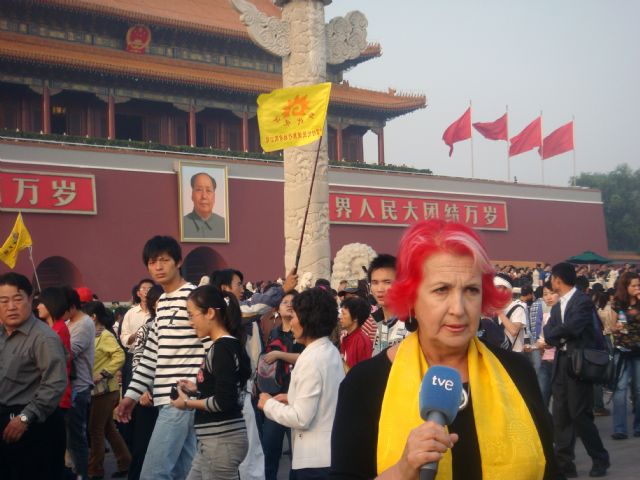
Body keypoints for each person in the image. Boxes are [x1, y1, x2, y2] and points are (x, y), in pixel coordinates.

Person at [329, 220, 557, 479]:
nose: (458, 309)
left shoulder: (517, 371)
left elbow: (550, 470)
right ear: (412, 297)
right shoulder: (365, 383)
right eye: (441, 290)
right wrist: (403, 470)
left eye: (471, 290)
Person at [117, 236, 207, 480]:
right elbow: (151, 356)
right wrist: (131, 397)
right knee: (185, 472)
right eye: (152, 262)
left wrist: (201, 385)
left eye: (164, 260)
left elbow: (213, 345)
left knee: (153, 473)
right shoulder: (164, 302)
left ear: (178, 262)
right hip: (169, 399)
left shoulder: (195, 298)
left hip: (180, 397)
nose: (157, 267)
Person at [258, 287, 345, 480]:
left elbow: (301, 418)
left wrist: (268, 404)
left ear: (308, 321)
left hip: (313, 462)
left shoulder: (311, 359)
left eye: (295, 316)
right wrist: (291, 398)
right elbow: (324, 397)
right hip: (327, 455)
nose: (292, 321)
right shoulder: (328, 350)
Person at [170, 285, 252, 479]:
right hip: (216, 440)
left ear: (210, 313)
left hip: (221, 440)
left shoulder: (222, 348)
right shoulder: (227, 345)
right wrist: (197, 388)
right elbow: (225, 387)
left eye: (191, 315)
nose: (190, 322)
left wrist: (187, 403)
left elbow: (224, 400)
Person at [544, 262, 610, 478]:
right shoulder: (556, 306)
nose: (551, 282)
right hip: (561, 361)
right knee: (561, 415)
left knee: (580, 414)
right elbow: (548, 329)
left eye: (552, 278)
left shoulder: (581, 301)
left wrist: (554, 335)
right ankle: (564, 464)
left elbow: (573, 327)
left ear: (557, 280)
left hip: (578, 363)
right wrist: (554, 333)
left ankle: (600, 458)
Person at [0, 273, 68, 479]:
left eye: (17, 299)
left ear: (31, 300)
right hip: (6, 422)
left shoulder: (43, 338)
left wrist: (24, 418)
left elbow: (55, 383)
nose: (11, 306)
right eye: (3, 301)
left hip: (34, 425)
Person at [83, 301, 131, 479]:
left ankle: (95, 469)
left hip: (104, 390)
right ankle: (125, 461)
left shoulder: (105, 336)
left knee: (95, 429)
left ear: (93, 317)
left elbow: (119, 356)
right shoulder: (93, 335)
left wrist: (103, 373)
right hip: (98, 390)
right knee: (108, 428)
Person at [259, 290, 303, 480]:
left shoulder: (303, 334)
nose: (289, 304)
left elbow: (306, 358)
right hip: (275, 397)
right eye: (285, 301)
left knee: (299, 457)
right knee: (270, 452)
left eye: (293, 301)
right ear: (278, 307)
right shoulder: (272, 332)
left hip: (297, 399)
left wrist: (279, 355)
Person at [35, 286, 72, 478]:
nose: (38, 306)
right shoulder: (51, 328)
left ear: (51, 304)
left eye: (41, 302)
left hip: (57, 395)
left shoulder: (57, 330)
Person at [127, 284, 163, 480]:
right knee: (143, 448)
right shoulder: (146, 328)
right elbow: (138, 361)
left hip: (171, 398)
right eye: (160, 302)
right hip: (148, 396)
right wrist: (140, 391)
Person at [66, 286, 96, 480]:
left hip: (79, 387)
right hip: (70, 387)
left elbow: (69, 352)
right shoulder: (69, 322)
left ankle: (82, 474)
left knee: (77, 437)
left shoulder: (84, 323)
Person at [610, 272, 640, 439]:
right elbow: (611, 326)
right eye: (633, 285)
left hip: (638, 350)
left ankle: (638, 426)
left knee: (638, 389)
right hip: (622, 350)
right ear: (626, 286)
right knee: (620, 389)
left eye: (638, 285)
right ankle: (620, 428)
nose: (637, 288)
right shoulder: (618, 302)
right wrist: (617, 327)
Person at [368, 254, 407, 356]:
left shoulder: (411, 323)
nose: (380, 289)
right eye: (375, 283)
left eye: (387, 282)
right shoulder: (381, 324)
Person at [533, 282, 560, 408]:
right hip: (546, 361)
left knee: (559, 401)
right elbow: (542, 339)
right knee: (542, 399)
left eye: (552, 293)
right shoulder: (545, 315)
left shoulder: (565, 314)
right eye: (545, 294)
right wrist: (538, 345)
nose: (548, 297)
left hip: (560, 363)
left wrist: (545, 343)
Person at [183, 172, 226, 239]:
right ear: (192, 195)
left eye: (208, 190)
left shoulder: (224, 225)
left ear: (214, 196)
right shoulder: (183, 223)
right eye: (199, 190)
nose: (204, 196)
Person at [339, 296, 373, 369]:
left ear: (355, 318)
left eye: (344, 314)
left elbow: (363, 372)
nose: (340, 317)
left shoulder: (362, 341)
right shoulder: (345, 337)